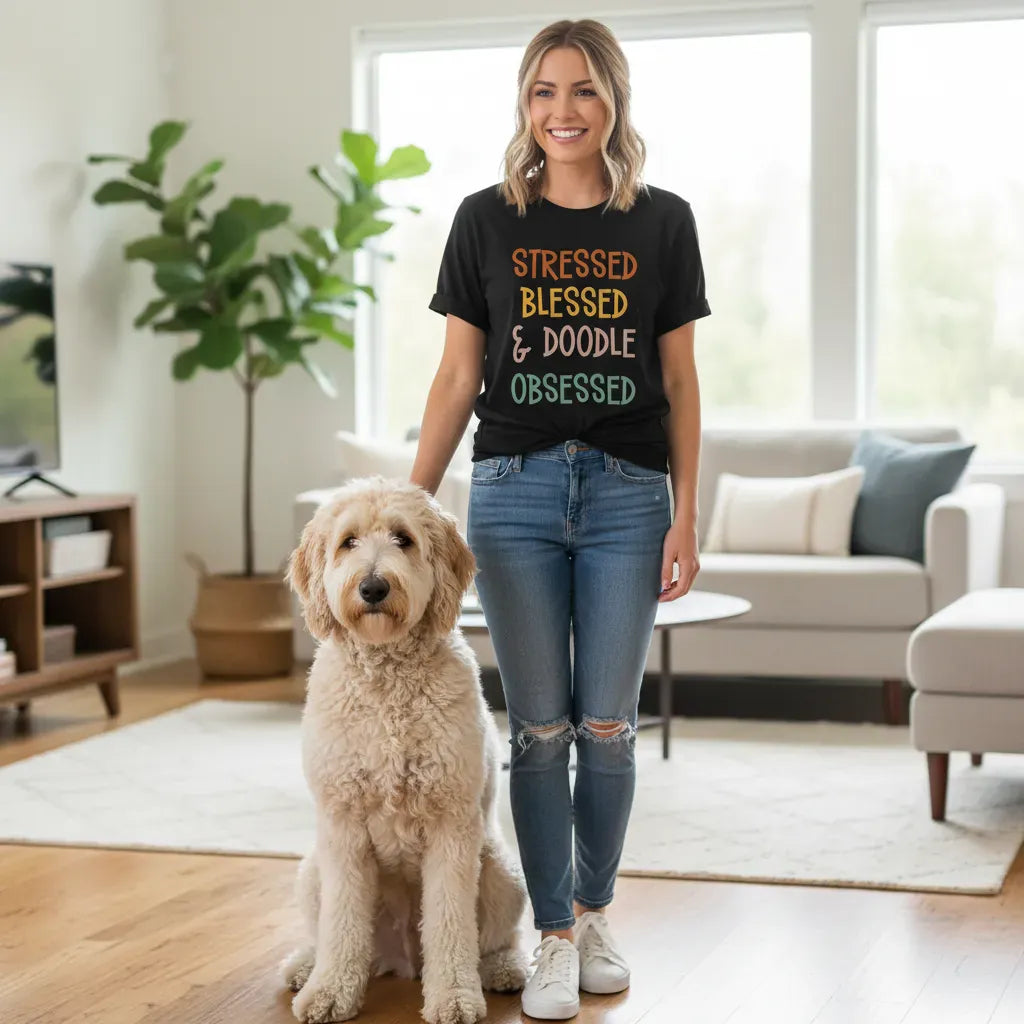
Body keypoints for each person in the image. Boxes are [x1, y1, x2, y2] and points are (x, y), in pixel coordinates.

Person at [411, 17, 710, 1021]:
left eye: (582, 90)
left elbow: (679, 378)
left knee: (608, 725)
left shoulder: (662, 220)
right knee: (538, 731)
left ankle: (591, 914)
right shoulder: (484, 219)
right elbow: (459, 373)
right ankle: (547, 936)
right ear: (524, 106)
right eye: (543, 91)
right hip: (514, 493)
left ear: (612, 102)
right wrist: (416, 494)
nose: (563, 111)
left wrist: (686, 513)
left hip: (629, 493)